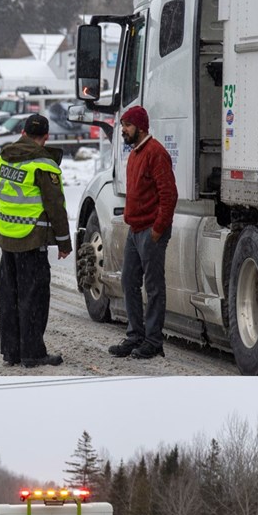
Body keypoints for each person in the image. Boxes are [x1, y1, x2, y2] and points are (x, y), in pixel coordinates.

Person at [0, 113, 72, 368]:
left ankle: (12, 352)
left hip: (6, 237)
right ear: (46, 137)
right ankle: (33, 353)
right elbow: (56, 207)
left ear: (23, 132)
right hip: (31, 240)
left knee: (9, 297)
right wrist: (63, 242)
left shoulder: (5, 155)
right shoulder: (43, 165)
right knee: (33, 298)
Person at [107, 105, 178, 360]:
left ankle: (153, 341)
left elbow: (169, 195)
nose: (123, 130)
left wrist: (158, 229)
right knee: (129, 281)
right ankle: (135, 336)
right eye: (122, 125)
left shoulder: (155, 153)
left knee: (154, 286)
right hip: (134, 229)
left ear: (140, 126)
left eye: (127, 125)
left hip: (150, 230)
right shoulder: (136, 153)